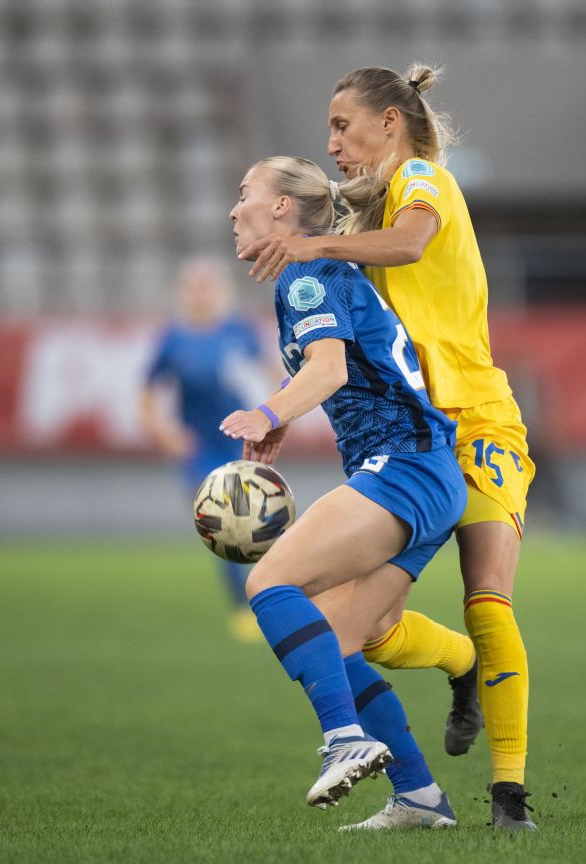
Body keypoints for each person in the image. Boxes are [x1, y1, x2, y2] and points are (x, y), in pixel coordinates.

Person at [241, 64, 538, 831]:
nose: (332, 141)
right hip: (422, 437)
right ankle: (422, 787)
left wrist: (313, 250)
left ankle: (510, 798)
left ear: (390, 122)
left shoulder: (420, 178)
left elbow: (409, 246)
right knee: (357, 633)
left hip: (474, 419)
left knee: (487, 596)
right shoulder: (356, 240)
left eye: (343, 125)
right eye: (329, 129)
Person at [224, 155, 467, 829]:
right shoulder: (321, 272)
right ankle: (419, 796)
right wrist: (281, 414)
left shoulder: (305, 274)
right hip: (427, 475)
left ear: (281, 209)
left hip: (404, 468)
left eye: (245, 193)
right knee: (337, 637)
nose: (232, 208)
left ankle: (344, 738)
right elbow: (343, 369)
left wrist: (269, 413)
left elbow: (328, 368)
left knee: (269, 584)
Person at [138, 257, 268, 642]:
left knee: (258, 523)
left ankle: (269, 595)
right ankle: (241, 607)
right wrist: (165, 433)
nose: (202, 294)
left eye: (208, 286)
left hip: (239, 441)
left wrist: (272, 416)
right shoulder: (173, 339)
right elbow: (146, 392)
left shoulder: (239, 332)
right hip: (201, 449)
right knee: (225, 523)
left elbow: (272, 376)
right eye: (195, 287)